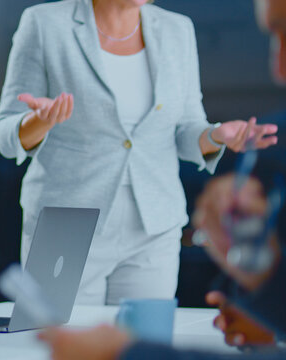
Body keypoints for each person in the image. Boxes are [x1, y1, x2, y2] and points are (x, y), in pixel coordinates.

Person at [38, 0, 286, 358]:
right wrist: (268, 305)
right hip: (69, 218)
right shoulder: (46, 22)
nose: (278, 69)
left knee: (134, 337)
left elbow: (185, 127)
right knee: (57, 341)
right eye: (274, 36)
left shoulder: (176, 29)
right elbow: (6, 130)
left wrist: (213, 135)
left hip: (152, 223)